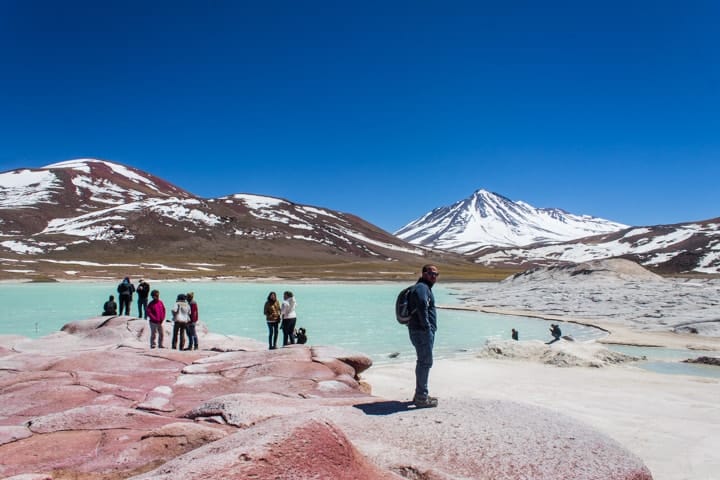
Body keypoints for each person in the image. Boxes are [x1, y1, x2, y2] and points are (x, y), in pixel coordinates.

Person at [407, 264, 439, 408]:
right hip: (422, 331)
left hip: (418, 330)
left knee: (423, 362)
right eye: (431, 273)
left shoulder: (422, 287)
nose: (434, 277)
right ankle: (421, 397)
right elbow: (421, 304)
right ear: (424, 273)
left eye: (436, 274)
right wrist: (427, 327)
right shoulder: (422, 288)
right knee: (425, 362)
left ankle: (420, 394)